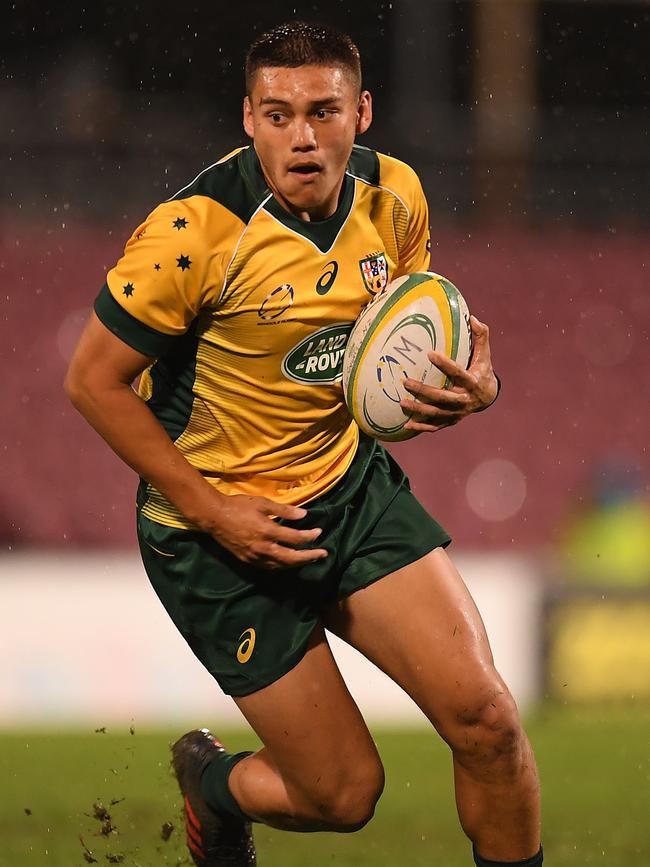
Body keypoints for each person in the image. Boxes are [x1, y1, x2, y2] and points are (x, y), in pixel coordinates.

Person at [65, 21, 542, 867]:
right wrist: (215, 513)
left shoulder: (395, 197)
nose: (304, 138)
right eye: (279, 115)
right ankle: (214, 786)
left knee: (490, 722)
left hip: (348, 492)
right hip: (217, 536)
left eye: (323, 112)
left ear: (362, 112)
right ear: (247, 118)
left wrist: (478, 387)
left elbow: (409, 339)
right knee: (344, 795)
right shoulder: (193, 234)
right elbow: (92, 382)